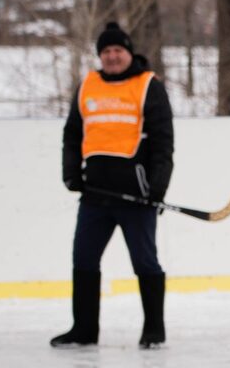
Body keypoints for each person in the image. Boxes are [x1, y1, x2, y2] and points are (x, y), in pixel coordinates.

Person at [51, 22, 173, 349]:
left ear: (129, 52)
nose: (112, 57)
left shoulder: (149, 86)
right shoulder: (87, 85)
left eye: (117, 50)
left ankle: (153, 330)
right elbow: (72, 135)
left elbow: (163, 144)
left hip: (137, 196)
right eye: (106, 52)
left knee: (145, 262)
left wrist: (157, 190)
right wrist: (71, 173)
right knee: (84, 260)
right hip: (94, 195)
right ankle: (84, 330)